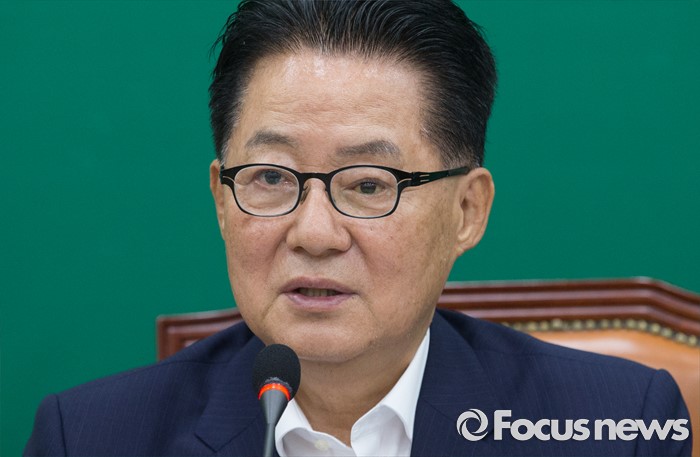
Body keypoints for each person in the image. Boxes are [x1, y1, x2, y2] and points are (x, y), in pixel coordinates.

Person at [24, 1, 691, 456]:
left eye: (369, 184)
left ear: (467, 211)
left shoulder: (616, 425)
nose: (314, 233)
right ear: (222, 200)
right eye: (271, 177)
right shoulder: (87, 437)